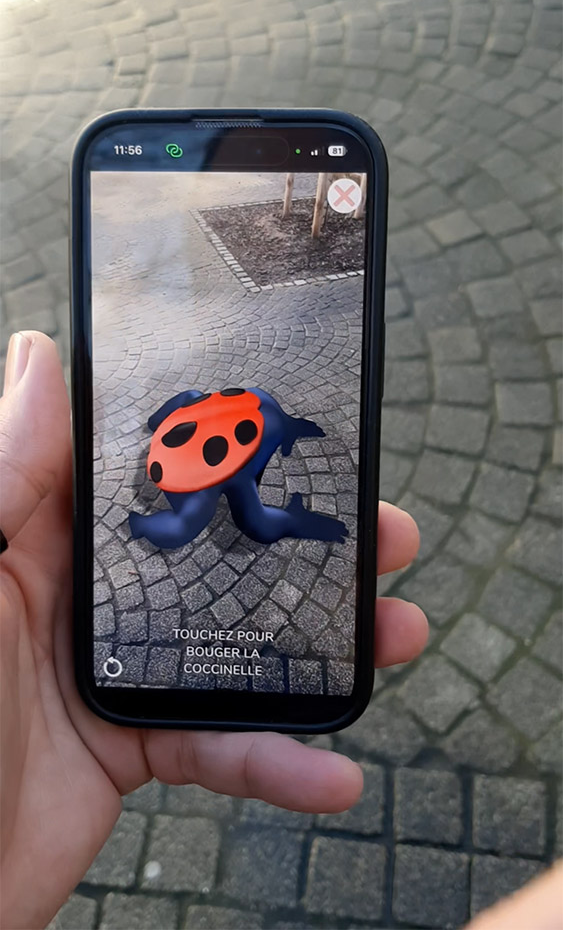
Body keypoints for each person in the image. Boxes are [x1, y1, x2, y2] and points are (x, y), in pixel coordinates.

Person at [3, 333, 559, 930]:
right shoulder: (235, 434)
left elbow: (200, 460)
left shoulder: (219, 457)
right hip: (249, 415)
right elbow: (226, 467)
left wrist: (169, 480)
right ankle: (280, 477)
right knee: (245, 511)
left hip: (244, 427)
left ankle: (278, 485)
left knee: (234, 513)